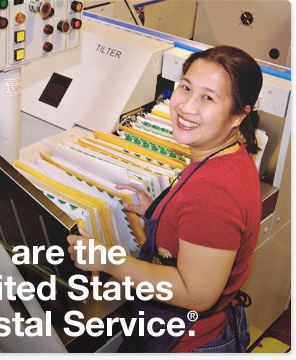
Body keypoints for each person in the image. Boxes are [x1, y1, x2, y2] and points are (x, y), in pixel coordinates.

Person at [67, 45, 263, 353]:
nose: (186, 106)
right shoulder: (226, 154)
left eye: (208, 97)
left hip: (189, 342)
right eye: (185, 87)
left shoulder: (214, 190)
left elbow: (196, 294)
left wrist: (109, 262)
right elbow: (202, 228)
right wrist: (157, 212)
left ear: (239, 114)